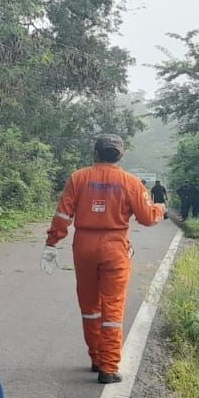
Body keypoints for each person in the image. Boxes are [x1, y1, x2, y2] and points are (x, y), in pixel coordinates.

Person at [43, 135, 164, 384]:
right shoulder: (130, 182)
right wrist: (160, 209)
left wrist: (52, 242)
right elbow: (147, 218)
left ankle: (96, 358)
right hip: (115, 247)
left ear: (95, 153)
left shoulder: (78, 177)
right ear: (120, 155)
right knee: (113, 307)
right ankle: (108, 368)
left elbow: (63, 213)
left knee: (90, 306)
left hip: (84, 247)